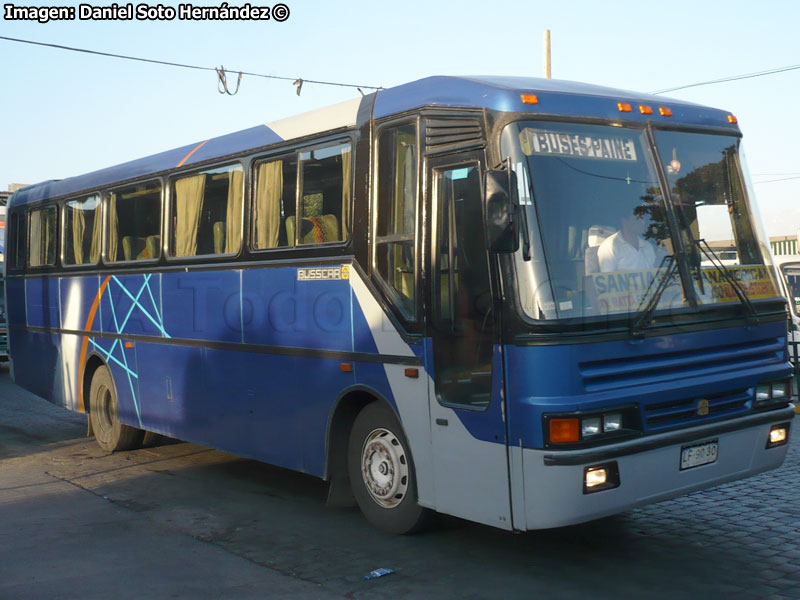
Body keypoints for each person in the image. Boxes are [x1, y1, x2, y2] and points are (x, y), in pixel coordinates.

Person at [597, 205, 656, 272]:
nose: (643, 222)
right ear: (624, 221)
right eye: (637, 219)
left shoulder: (647, 246)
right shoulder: (610, 246)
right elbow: (608, 279)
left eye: (643, 218)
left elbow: (653, 276)